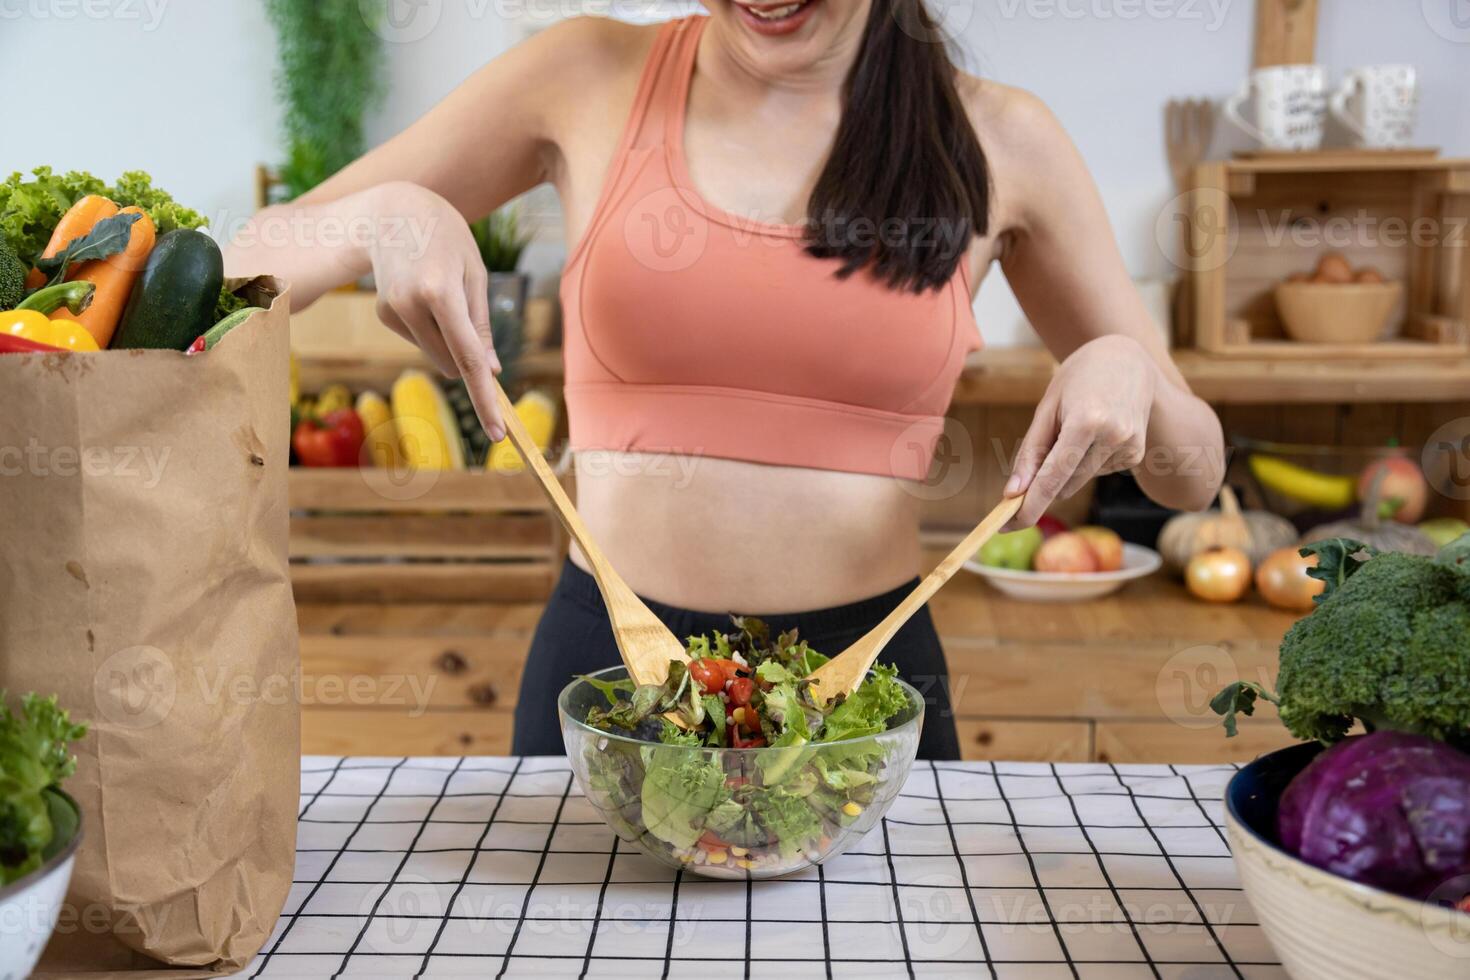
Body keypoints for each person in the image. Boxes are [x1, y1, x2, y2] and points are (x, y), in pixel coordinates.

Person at [226, 0, 1224, 759]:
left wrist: (1126, 365)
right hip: (609, 669)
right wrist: (385, 213)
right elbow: (245, 256)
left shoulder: (1004, 139)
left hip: (864, 687)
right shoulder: (584, 71)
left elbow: (1194, 471)